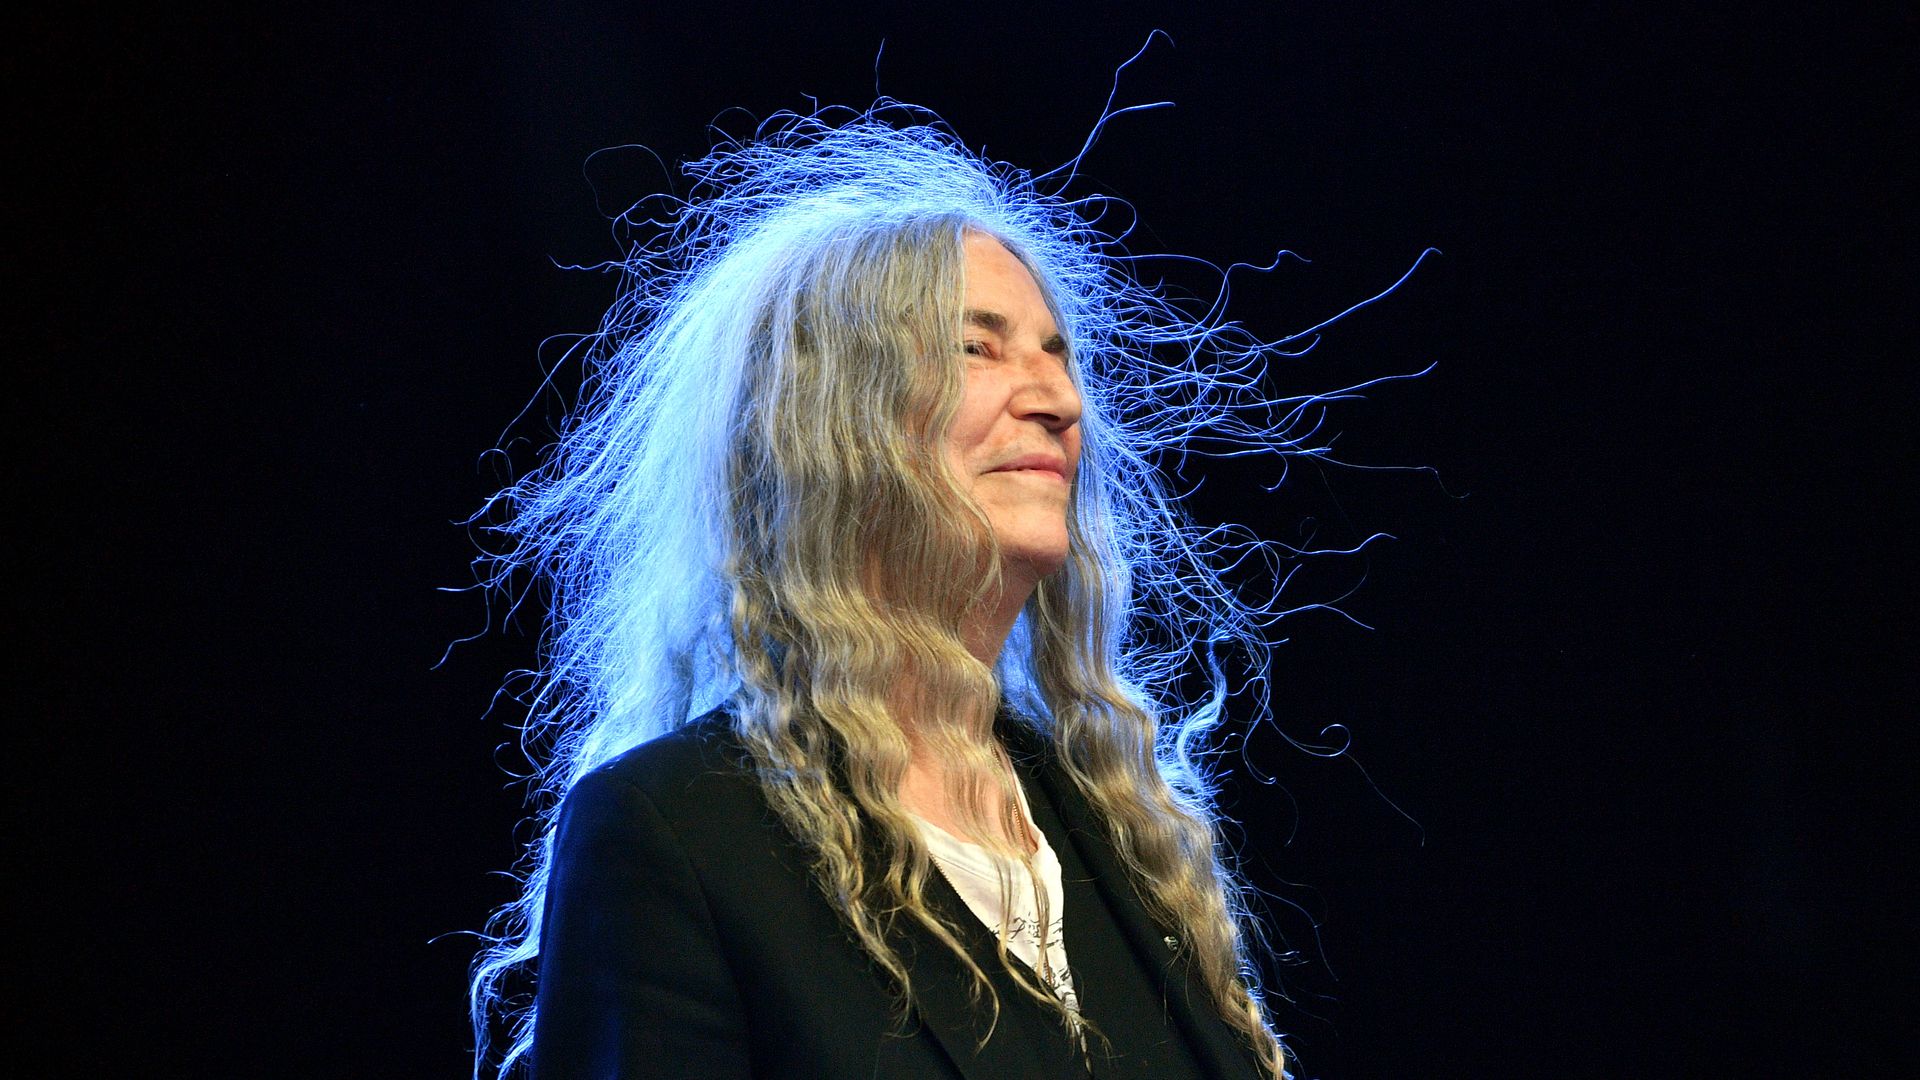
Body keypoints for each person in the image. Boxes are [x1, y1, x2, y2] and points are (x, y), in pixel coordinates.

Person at [469, 110, 1307, 1079]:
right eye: (977, 348)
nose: (1058, 398)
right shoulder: (682, 839)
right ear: (831, 434)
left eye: (1055, 353)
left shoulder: (1119, 835)